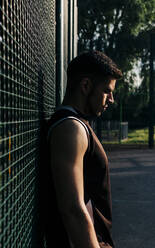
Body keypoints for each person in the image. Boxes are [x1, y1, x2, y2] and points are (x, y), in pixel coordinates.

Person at [38, 51, 123, 248]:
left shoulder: (77, 125)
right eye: (106, 91)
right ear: (85, 86)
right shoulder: (71, 128)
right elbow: (73, 209)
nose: (111, 99)